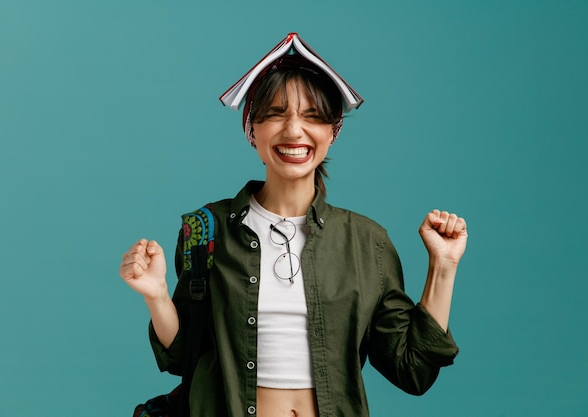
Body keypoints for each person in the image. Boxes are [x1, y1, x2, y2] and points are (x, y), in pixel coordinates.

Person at [119, 35, 468, 417]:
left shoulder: (368, 243)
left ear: (333, 132)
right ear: (252, 130)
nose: (294, 131)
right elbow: (183, 358)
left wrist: (443, 266)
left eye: (313, 116)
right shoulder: (206, 229)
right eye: (276, 113)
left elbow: (412, 371)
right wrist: (155, 294)